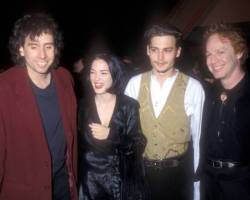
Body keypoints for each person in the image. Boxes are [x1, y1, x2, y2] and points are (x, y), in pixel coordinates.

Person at [0, 13, 77, 199]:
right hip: (24, 192)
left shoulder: (65, 78)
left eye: (48, 46)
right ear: (21, 49)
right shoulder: (4, 87)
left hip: (62, 186)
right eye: (33, 46)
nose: (42, 55)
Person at [125, 23, 205, 200]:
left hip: (178, 175)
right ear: (148, 50)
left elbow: (198, 139)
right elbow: (125, 136)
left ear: (178, 51)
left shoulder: (193, 87)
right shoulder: (134, 84)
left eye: (167, 50)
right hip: (142, 174)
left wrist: (197, 188)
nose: (160, 57)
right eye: (155, 50)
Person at [78, 53, 147, 200]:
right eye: (92, 72)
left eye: (103, 73)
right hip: (90, 183)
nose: (96, 78)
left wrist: (111, 135)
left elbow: (139, 144)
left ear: (114, 74)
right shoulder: (82, 106)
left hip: (120, 182)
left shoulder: (129, 105)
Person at [200, 23, 250, 200]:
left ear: (239, 52)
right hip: (209, 181)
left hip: (242, 184)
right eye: (208, 54)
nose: (212, 61)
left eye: (220, 52)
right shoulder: (207, 94)